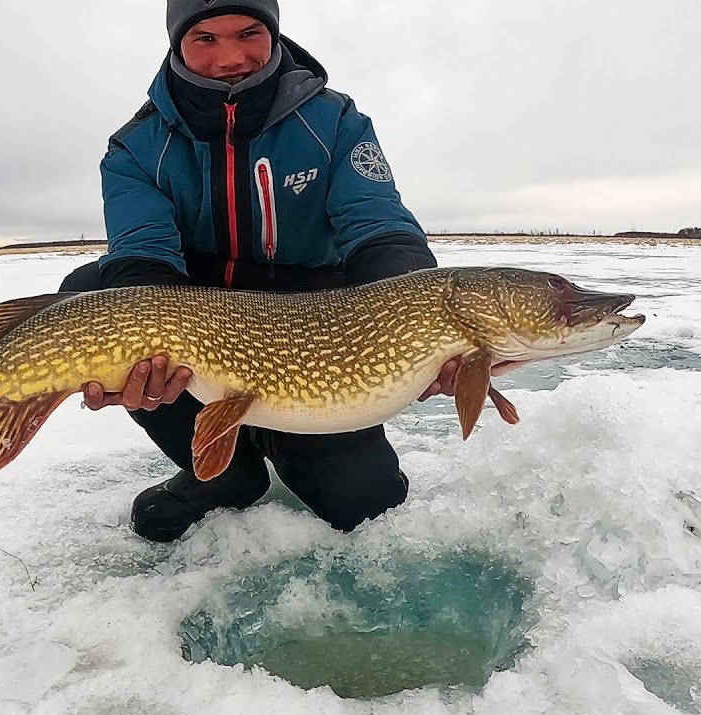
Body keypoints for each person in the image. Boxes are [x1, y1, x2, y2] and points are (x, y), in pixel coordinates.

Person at [59, 0, 460, 542]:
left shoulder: (335, 121)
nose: (231, 57)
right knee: (93, 294)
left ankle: (291, 438)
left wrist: (421, 318)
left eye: (249, 33)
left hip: (311, 323)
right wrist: (138, 362)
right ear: (177, 43)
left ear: (273, 33)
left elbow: (377, 224)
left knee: (369, 505)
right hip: (193, 315)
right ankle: (226, 474)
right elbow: (142, 257)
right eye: (205, 39)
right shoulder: (136, 148)